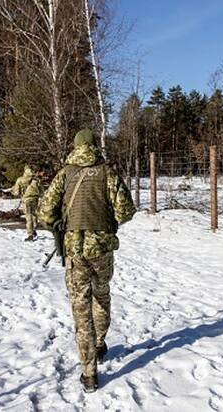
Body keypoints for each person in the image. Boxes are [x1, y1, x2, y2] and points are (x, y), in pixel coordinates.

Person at [38, 128, 135, 393]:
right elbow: (126, 211)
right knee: (101, 295)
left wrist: (58, 223)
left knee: (81, 307)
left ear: (76, 146)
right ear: (94, 146)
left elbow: (44, 212)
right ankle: (100, 343)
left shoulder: (65, 174)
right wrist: (109, 222)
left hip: (75, 251)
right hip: (102, 249)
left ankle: (89, 373)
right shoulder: (107, 173)